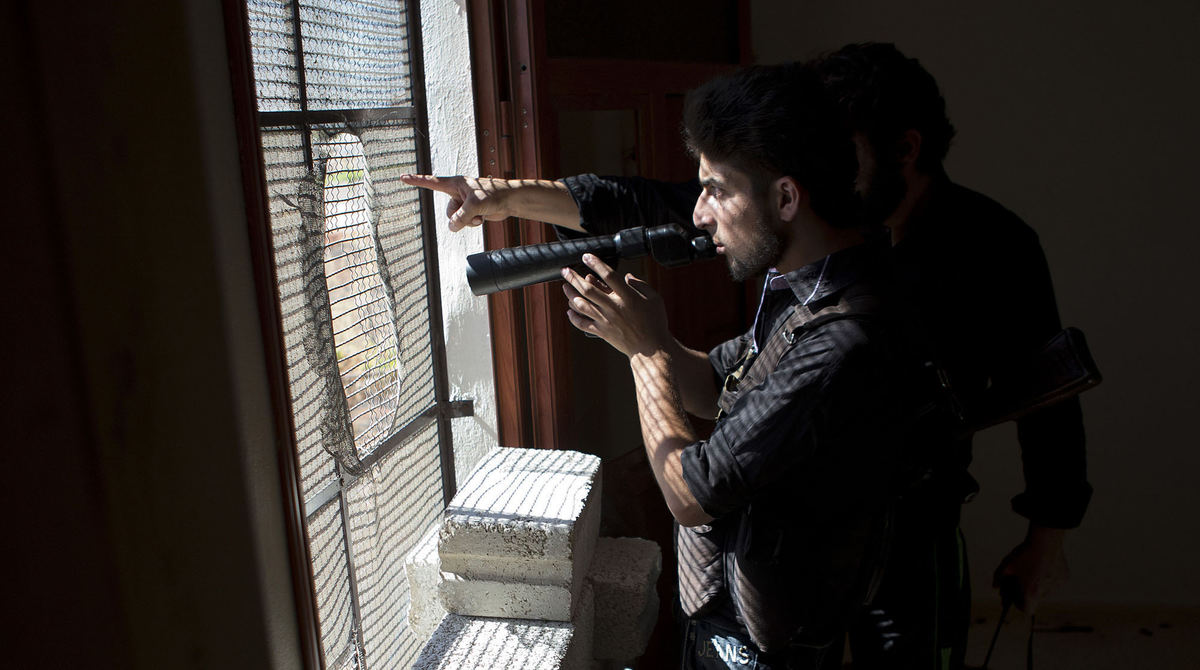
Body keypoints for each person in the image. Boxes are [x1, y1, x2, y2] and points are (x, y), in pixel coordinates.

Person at [402, 42, 1092, 669]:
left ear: (900, 150)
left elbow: (1050, 402)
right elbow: (669, 223)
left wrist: (1047, 538)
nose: (826, 163)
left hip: (913, 522)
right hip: (797, 542)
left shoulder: (942, 269)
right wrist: (504, 197)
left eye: (837, 148)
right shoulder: (813, 267)